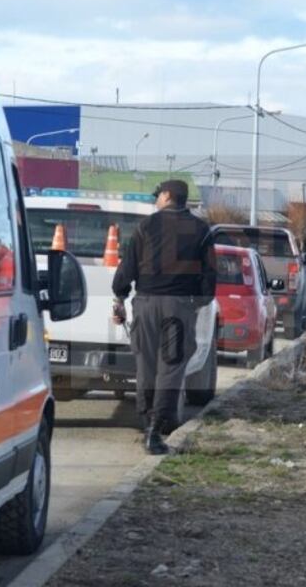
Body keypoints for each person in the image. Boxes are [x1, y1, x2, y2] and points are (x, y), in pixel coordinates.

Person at [112, 180, 217, 455]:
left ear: (168, 195)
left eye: (157, 195)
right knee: (170, 367)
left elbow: (128, 268)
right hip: (179, 308)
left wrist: (119, 297)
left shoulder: (145, 227)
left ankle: (147, 424)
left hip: (146, 304)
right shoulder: (202, 230)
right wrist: (196, 303)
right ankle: (155, 430)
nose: (156, 199)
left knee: (146, 366)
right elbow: (209, 278)